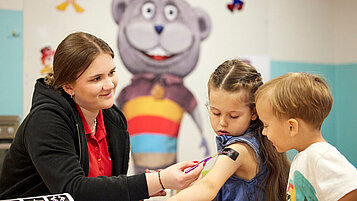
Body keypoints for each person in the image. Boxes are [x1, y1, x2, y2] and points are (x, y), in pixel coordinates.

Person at [0, 32, 204, 201]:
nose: (109, 85)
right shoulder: (46, 120)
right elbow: (73, 190)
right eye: (96, 79)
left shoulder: (113, 119)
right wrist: (157, 181)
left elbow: (108, 187)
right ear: (68, 86)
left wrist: (141, 188)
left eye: (111, 73)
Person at [168, 59, 290, 201]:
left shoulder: (238, 150)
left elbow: (209, 186)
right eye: (215, 113)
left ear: (254, 113)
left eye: (233, 116)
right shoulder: (258, 141)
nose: (222, 123)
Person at [255, 72, 357, 201]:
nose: (264, 132)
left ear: (291, 127)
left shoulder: (319, 155)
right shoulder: (304, 156)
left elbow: (352, 188)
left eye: (266, 125)